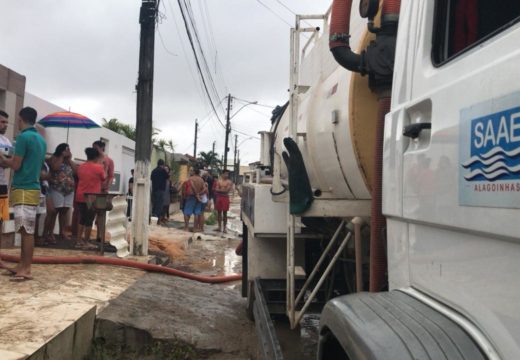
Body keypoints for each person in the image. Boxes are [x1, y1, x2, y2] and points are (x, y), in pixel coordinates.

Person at [0, 107, 46, 280]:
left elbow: (17, 165)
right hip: (33, 187)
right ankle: (23, 264)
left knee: (26, 231)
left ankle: (25, 268)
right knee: (26, 229)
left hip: (23, 187)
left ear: (21, 119)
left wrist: (3, 159)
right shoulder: (40, 140)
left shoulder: (23, 137)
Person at [43, 143, 76, 243]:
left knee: (64, 211)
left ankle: (62, 232)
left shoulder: (68, 161)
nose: (69, 151)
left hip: (68, 190)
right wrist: (62, 156)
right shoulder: (55, 157)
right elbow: (55, 167)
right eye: (67, 149)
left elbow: (76, 171)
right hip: (57, 188)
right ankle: (49, 233)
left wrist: (69, 159)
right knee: (54, 211)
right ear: (61, 150)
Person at [75, 147, 106, 249]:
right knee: (89, 220)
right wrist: (103, 165)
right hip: (92, 197)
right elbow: (104, 177)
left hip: (80, 196)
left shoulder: (81, 167)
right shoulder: (99, 168)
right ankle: (86, 242)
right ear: (96, 157)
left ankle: (78, 241)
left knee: (82, 219)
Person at [0, 110, 12, 271]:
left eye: (6, 123)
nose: (5, 125)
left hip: (2, 185)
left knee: (1, 221)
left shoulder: (7, 140)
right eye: (2, 122)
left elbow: (10, 161)